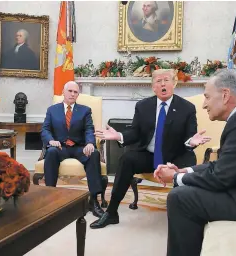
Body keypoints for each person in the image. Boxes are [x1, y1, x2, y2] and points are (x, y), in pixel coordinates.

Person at [154, 69, 236, 256]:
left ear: (225, 95)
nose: (204, 105)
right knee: (185, 191)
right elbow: (223, 165)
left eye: (207, 97)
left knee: (180, 198)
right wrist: (185, 170)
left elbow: (221, 177)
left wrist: (175, 177)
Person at [90, 69, 211, 229]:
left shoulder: (186, 107)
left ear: (174, 83)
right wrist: (119, 135)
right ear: (153, 87)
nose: (162, 84)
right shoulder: (143, 106)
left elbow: (190, 135)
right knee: (127, 159)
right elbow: (135, 132)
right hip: (150, 155)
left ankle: (186, 215)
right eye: (158, 81)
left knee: (188, 163)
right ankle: (112, 212)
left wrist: (192, 141)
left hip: (176, 156)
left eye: (166, 80)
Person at [41, 81, 104, 218]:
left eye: (75, 92)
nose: (72, 94)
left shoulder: (85, 110)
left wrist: (90, 143)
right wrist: (51, 140)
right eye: (70, 91)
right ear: (63, 92)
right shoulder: (52, 110)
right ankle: (50, 196)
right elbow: (45, 129)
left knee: (94, 154)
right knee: (51, 152)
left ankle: (94, 200)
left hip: (79, 147)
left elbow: (89, 129)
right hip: (60, 147)